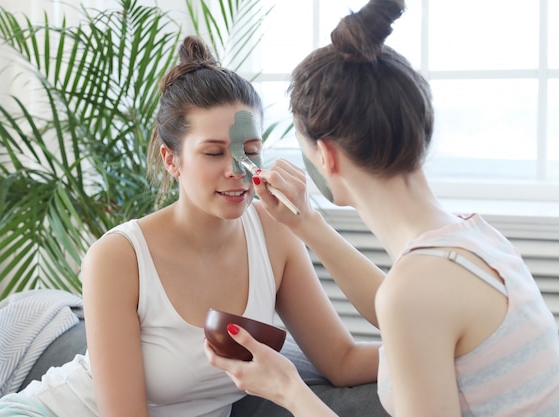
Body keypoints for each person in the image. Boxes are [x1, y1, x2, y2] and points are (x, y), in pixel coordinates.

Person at [0, 35, 383, 417]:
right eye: (213, 152)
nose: (237, 170)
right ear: (172, 160)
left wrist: (441, 353)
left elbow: (342, 361)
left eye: (251, 151)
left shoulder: (274, 236)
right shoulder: (119, 257)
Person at [204, 1, 559, 416]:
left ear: (326, 156)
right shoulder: (474, 239)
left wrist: (289, 390)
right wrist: (309, 225)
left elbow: (407, 305)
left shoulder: (415, 292)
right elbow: (407, 309)